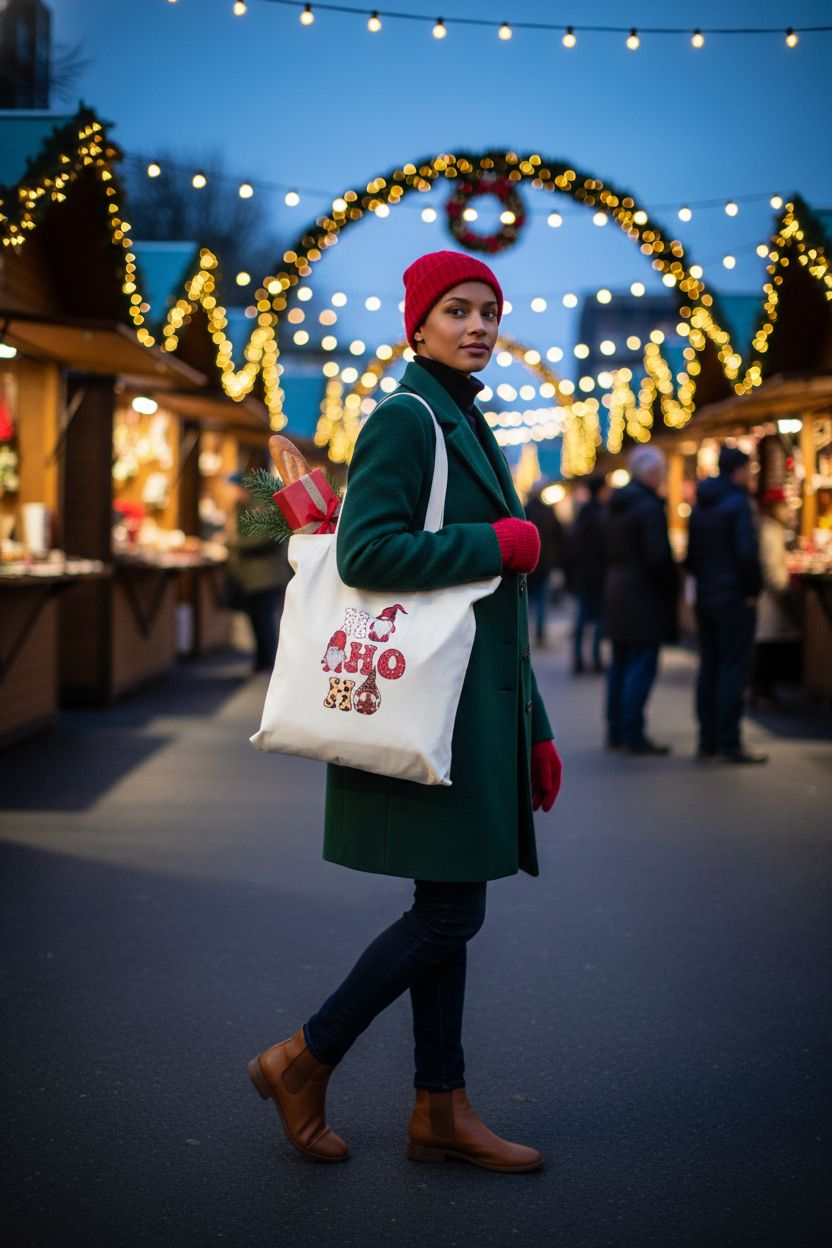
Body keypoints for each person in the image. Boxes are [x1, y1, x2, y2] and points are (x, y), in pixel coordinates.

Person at [248, 251, 563, 1172]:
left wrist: (534, 727)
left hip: (471, 707)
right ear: (416, 326)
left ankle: (439, 1109)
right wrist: (496, 541)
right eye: (457, 310)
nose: (477, 326)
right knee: (449, 914)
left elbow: (492, 610)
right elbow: (368, 553)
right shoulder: (405, 417)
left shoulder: (466, 416)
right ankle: (305, 1056)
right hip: (429, 707)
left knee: (446, 901)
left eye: (489, 311)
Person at [686, 446, 766, 764]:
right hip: (734, 597)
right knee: (733, 667)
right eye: (750, 469)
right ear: (738, 470)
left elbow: (690, 557)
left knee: (710, 665)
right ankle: (729, 741)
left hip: (706, 596)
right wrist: (752, 589)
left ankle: (707, 740)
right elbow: (747, 553)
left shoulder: (700, 505)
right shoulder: (738, 504)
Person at [604, 447, 678, 755]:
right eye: (661, 472)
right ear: (651, 474)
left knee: (621, 664)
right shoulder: (648, 508)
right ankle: (632, 732)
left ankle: (617, 730)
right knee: (641, 665)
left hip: (618, 589)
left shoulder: (617, 506)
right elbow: (657, 556)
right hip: (643, 595)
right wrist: (672, 583)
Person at [227, 474, 292, 672]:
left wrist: (235, 543)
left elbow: (267, 537)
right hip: (248, 576)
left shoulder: (262, 507)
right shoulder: (239, 507)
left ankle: (269, 663)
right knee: (256, 620)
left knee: (264, 620)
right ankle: (262, 661)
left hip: (265, 576)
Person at [751, 487, 801, 704]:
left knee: (767, 647)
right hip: (770, 599)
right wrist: (784, 590)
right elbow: (771, 568)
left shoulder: (769, 529)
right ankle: (762, 693)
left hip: (768, 598)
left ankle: (763, 692)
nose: (788, 512)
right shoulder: (769, 531)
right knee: (767, 647)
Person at [567, 475, 610, 674]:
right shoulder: (603, 515)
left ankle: (577, 658)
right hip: (599, 574)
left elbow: (573, 547)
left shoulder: (582, 515)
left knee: (583, 618)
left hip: (583, 573)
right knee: (598, 619)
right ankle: (596, 658)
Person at [524, 483, 566, 645]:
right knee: (541, 600)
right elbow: (559, 536)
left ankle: (527, 633)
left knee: (528, 600)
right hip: (546, 562)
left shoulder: (524, 510)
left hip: (527, 562)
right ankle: (540, 633)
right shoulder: (548, 512)